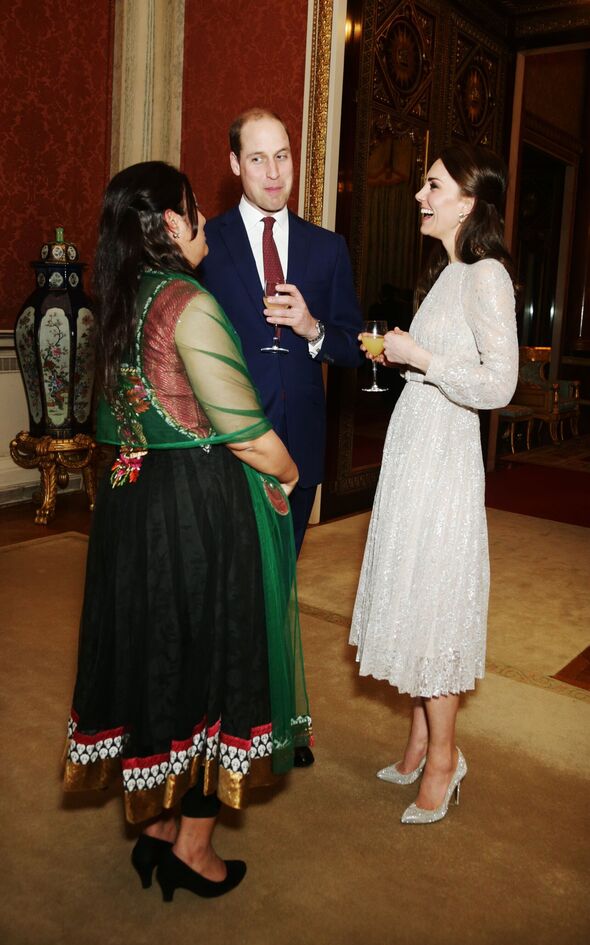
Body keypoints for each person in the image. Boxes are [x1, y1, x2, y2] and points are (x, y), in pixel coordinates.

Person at [63, 161, 312, 900]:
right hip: (196, 509)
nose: (204, 221)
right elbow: (245, 431)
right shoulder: (186, 303)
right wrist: (291, 473)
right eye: (196, 210)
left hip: (131, 504)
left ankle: (154, 828)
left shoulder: (118, 300)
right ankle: (193, 850)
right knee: (214, 656)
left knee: (155, 653)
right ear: (172, 224)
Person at [349, 144, 519, 824]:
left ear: (467, 202)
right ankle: (420, 740)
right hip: (415, 448)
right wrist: (404, 356)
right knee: (413, 590)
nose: (420, 194)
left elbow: (499, 382)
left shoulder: (486, 277)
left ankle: (447, 758)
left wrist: (419, 355)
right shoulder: (446, 274)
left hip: (445, 458)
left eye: (433, 184)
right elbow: (445, 364)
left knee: (435, 598)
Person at [199, 107, 363, 558]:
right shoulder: (206, 245)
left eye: (282, 156)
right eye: (257, 159)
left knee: (281, 579)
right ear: (235, 165)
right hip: (231, 445)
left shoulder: (327, 248)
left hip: (301, 446)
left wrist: (314, 331)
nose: (273, 174)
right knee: (230, 582)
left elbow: (353, 346)